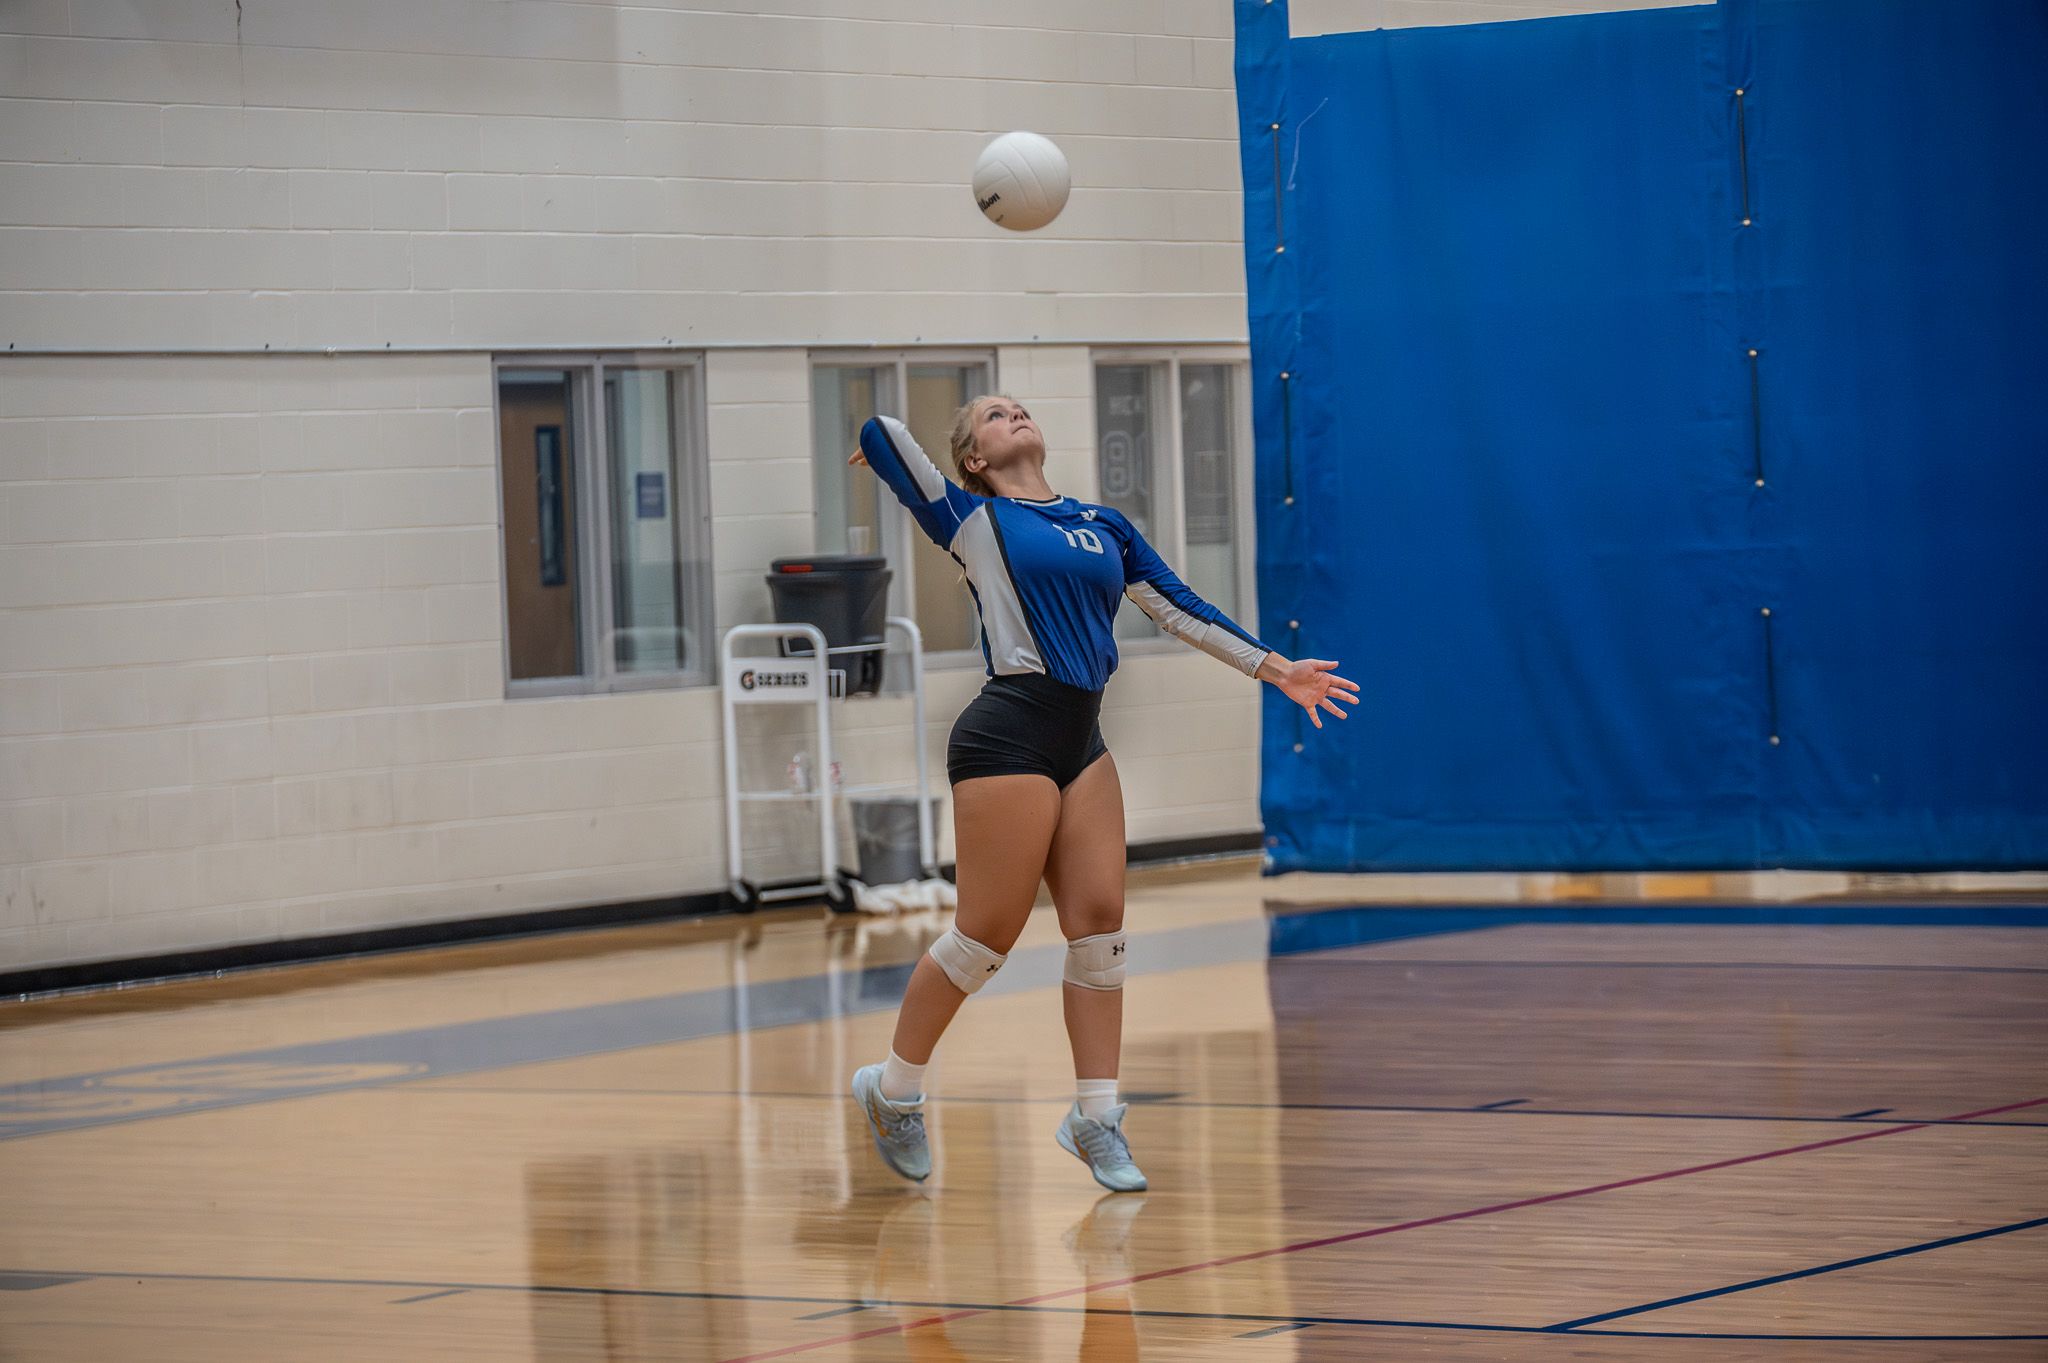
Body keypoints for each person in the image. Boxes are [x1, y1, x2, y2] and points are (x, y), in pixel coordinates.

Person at [847, 396, 1357, 1192]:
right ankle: (893, 1088)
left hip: (1081, 737)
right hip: (1006, 732)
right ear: (973, 458)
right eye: (991, 414)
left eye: (1017, 405)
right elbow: (885, 435)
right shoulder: (971, 519)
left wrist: (1275, 669)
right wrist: (879, 445)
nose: (1012, 412)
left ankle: (1094, 1115)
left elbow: (1180, 608)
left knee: (1102, 934)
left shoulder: (1103, 524)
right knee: (985, 940)